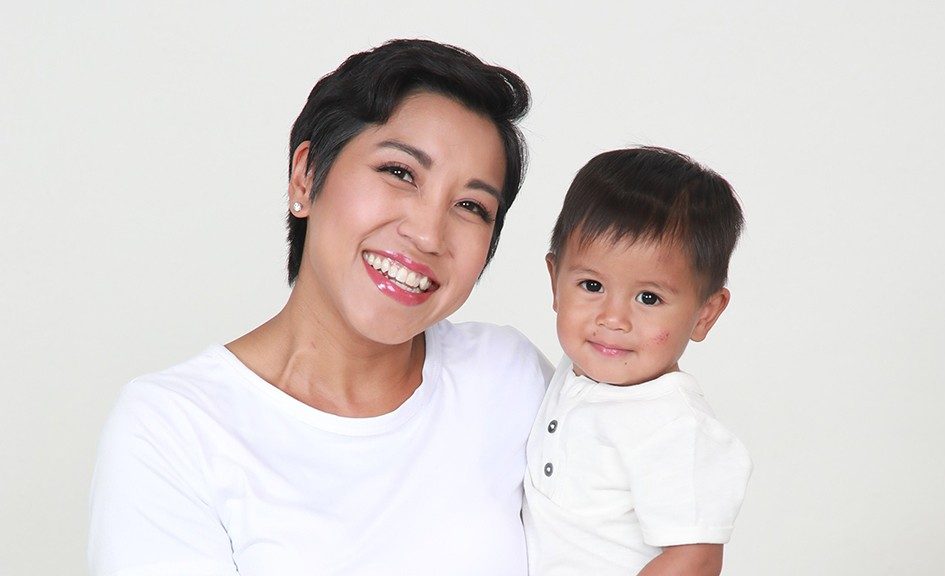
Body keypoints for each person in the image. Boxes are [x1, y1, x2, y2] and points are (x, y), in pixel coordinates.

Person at [88, 39, 551, 576]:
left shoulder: (508, 379)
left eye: (471, 206)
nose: (428, 234)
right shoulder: (173, 429)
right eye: (400, 173)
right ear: (306, 177)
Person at [522, 147, 753, 576]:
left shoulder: (675, 427)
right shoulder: (571, 378)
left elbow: (694, 559)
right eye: (591, 285)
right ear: (555, 283)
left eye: (649, 298)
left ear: (705, 313)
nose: (613, 318)